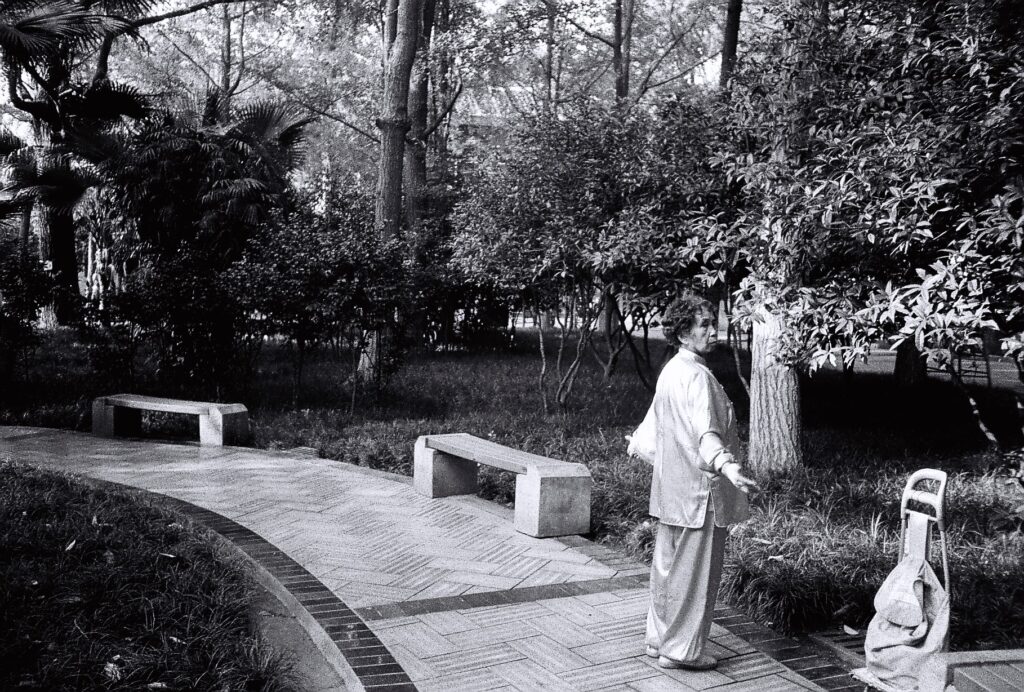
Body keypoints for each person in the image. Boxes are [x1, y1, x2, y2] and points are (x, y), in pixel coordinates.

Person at [629, 294, 758, 671]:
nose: (712, 330)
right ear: (684, 332)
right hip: (700, 495)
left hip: (672, 492)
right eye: (703, 324)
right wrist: (729, 468)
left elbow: (651, 429)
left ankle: (658, 640)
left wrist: (638, 446)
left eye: (711, 323)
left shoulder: (672, 369)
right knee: (695, 578)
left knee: (668, 571)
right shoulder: (697, 376)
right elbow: (706, 433)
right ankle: (681, 650)